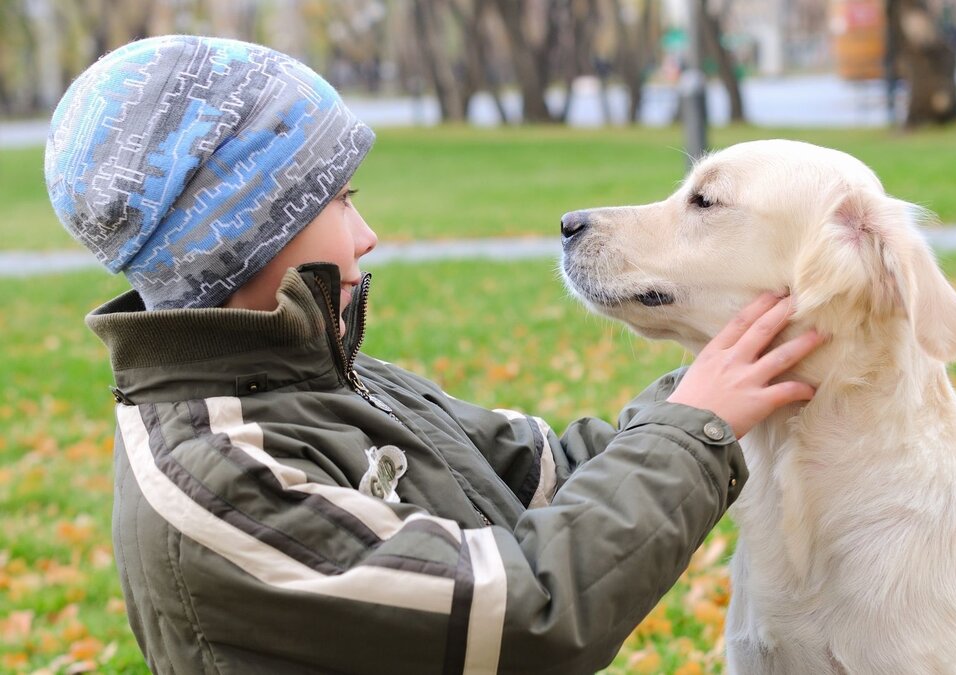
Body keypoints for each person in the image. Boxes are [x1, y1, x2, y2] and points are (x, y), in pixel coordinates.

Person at [46, 35, 821, 674]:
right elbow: (521, 617)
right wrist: (694, 426)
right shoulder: (222, 478)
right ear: (252, 228)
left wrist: (708, 383)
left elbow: (540, 476)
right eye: (339, 201)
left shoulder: (322, 375)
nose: (366, 232)